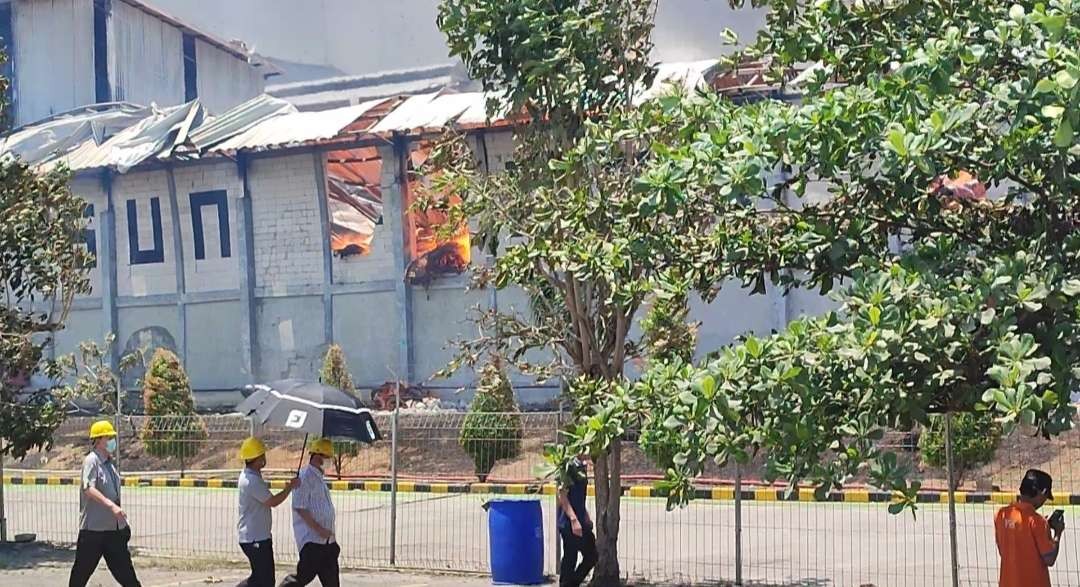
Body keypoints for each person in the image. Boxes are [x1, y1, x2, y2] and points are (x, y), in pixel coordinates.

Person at [69, 420, 142, 587]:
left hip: (113, 532)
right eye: (109, 437)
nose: (112, 441)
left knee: (127, 576)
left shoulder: (110, 464)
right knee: (80, 575)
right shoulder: (91, 461)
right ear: (99, 439)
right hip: (93, 531)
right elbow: (88, 488)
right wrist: (111, 506)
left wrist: (122, 524)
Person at [236, 437, 300, 587]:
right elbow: (272, 502)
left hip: (258, 537)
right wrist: (289, 488)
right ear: (255, 458)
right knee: (263, 580)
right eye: (262, 455)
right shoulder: (251, 481)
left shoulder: (251, 476)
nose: (264, 458)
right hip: (255, 539)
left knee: (263, 579)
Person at [279, 438, 339, 587]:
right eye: (328, 457)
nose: (329, 461)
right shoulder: (305, 476)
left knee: (332, 582)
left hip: (327, 542)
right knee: (301, 578)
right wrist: (319, 530)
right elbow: (300, 507)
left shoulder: (319, 477)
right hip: (313, 542)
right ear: (319, 457)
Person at [996, 468, 1066, 587]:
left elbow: (1005, 550)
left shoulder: (1001, 515)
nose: (1044, 501)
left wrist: (1044, 528)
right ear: (1042, 493)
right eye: (1046, 497)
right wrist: (1057, 533)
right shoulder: (1037, 522)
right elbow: (1050, 558)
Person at [557, 452, 597, 587]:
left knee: (587, 555)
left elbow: (579, 496)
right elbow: (562, 496)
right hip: (569, 521)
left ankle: (570, 584)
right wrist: (574, 520)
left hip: (579, 518)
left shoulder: (581, 467)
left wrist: (585, 515)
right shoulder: (568, 466)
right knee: (573, 557)